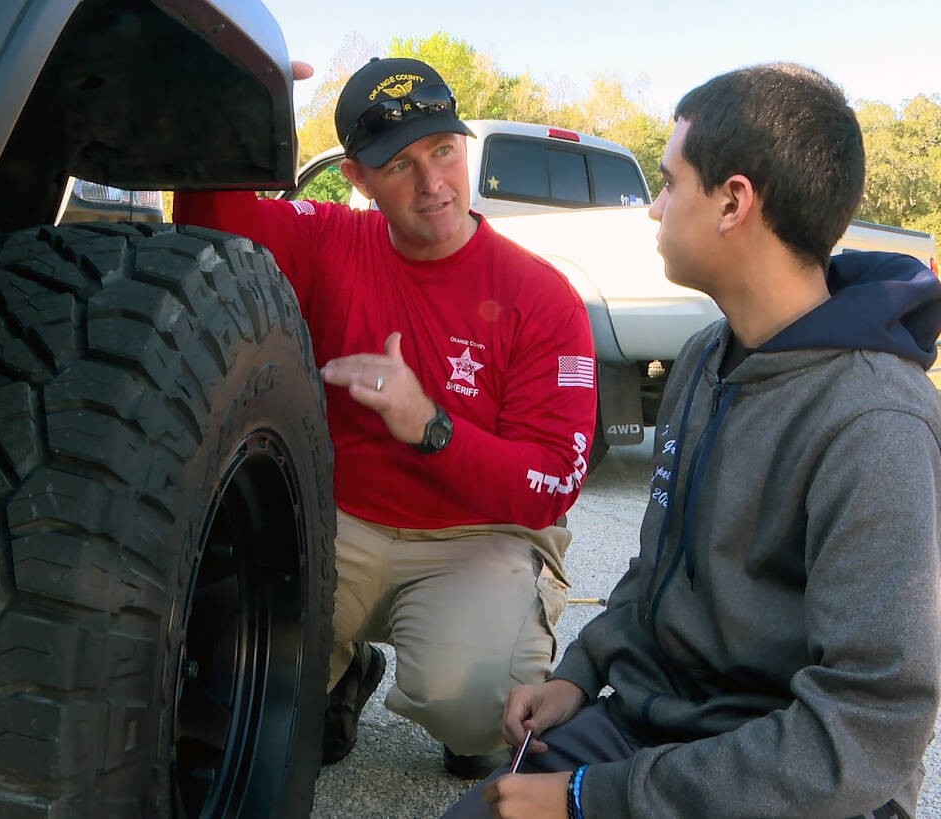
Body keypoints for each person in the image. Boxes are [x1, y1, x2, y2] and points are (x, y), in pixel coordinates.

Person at [443, 62, 941, 818]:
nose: (651, 210)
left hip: (794, 783)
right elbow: (659, 568)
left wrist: (589, 796)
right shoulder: (708, 358)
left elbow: (865, 733)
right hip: (658, 728)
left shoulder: (875, 423)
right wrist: (579, 671)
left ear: (734, 201)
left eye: (670, 184)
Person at [174, 56, 597, 777]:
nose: (434, 184)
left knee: (481, 712)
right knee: (223, 656)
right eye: (400, 165)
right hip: (342, 525)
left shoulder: (542, 295)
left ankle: (460, 707)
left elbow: (551, 483)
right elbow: (217, 225)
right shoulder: (330, 240)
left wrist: (431, 426)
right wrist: (231, 89)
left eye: (443, 151)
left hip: (478, 532)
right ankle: (339, 670)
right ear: (357, 177)